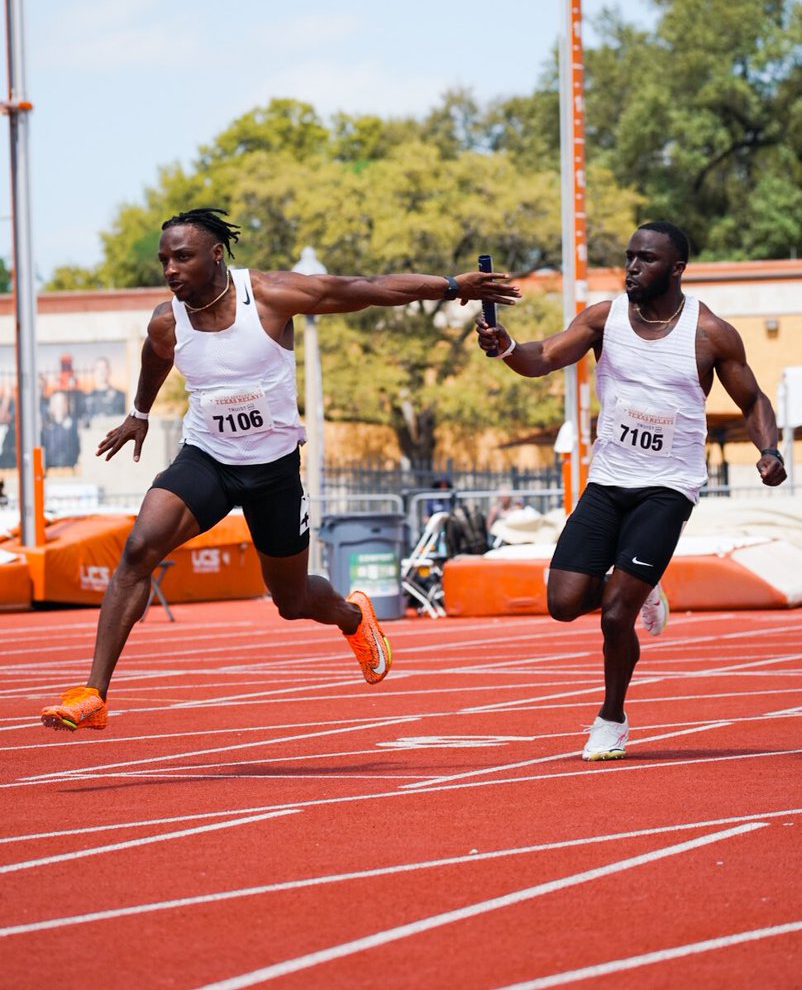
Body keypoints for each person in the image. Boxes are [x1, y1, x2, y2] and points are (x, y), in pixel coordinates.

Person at [41, 206, 519, 732]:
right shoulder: (166, 320)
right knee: (138, 550)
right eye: (164, 261)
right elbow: (156, 357)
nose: (170, 270)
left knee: (290, 601)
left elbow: (363, 287)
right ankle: (95, 694)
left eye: (182, 257)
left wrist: (452, 286)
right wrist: (139, 413)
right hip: (208, 457)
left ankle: (353, 617)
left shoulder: (268, 296)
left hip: (272, 470)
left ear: (215, 254)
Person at [476, 220, 787, 761]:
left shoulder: (710, 334)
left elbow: (754, 400)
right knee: (563, 602)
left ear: (676, 268)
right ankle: (644, 589)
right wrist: (505, 347)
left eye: (646, 259)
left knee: (616, 614)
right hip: (609, 481)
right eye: (630, 257)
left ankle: (611, 717)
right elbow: (544, 356)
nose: (632, 267)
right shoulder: (605, 318)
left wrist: (770, 451)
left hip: (668, 487)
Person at [41, 389, 81, 470]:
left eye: (61, 403)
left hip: (69, 470)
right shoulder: (45, 428)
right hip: (50, 471)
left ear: (66, 404)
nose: (59, 406)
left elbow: (76, 450)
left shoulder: (73, 426)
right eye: (56, 403)